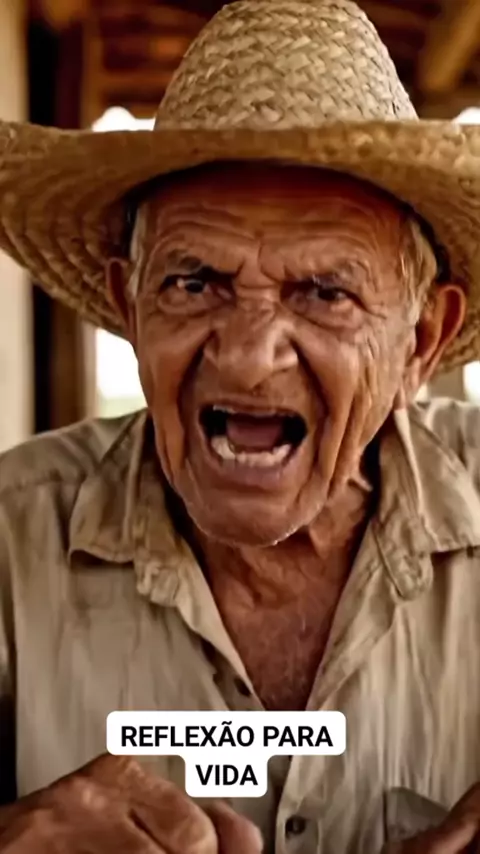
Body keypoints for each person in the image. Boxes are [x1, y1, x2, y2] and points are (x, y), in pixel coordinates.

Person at [1, 0, 480, 851]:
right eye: (194, 283)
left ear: (420, 343)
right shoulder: (10, 541)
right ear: (128, 309)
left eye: (325, 292)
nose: (251, 357)